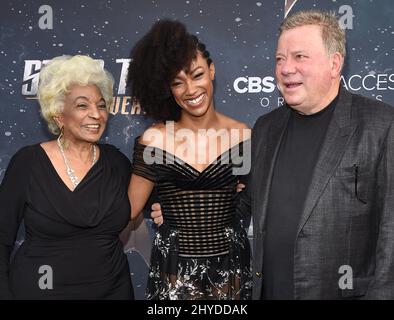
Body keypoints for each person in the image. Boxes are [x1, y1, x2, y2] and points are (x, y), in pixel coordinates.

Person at [153, 10, 394, 299]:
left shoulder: (380, 125)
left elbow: (391, 235)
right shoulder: (267, 128)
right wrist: (183, 210)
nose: (286, 68)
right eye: (280, 59)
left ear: (335, 63)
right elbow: (242, 204)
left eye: (299, 57)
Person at [126, 20, 252, 300]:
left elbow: (248, 200)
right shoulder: (155, 139)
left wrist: (237, 198)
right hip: (173, 271)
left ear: (212, 70)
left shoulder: (242, 135)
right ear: (168, 89)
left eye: (197, 75)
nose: (191, 90)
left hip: (230, 270)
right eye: (177, 83)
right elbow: (129, 209)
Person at [0, 55, 134, 299]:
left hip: (112, 291)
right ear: (59, 115)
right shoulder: (28, 162)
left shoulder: (117, 163)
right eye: (82, 105)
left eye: (101, 105)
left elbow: (159, 197)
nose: (96, 114)